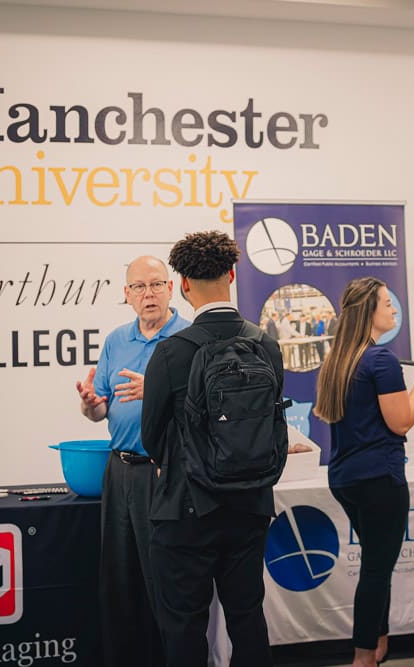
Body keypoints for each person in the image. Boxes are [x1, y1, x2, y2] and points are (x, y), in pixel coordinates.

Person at [141, 230, 284, 667]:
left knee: (184, 624)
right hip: (250, 505)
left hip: (187, 509)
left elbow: (152, 436)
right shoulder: (266, 344)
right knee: (247, 615)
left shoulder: (171, 352)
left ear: (183, 285)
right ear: (232, 275)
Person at [314, 277, 414, 667]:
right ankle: (364, 655)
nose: (393, 309)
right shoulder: (380, 360)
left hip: (346, 478)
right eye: (387, 303)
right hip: (379, 479)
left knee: (376, 562)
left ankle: (378, 642)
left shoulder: (339, 359)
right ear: (369, 310)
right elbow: (400, 422)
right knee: (376, 569)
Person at [75, 255, 189, 667]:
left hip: (166, 472)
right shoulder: (116, 341)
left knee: (164, 581)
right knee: (119, 581)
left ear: (171, 288)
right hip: (119, 471)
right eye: (138, 287)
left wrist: (156, 389)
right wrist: (91, 405)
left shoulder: (189, 340)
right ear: (127, 294)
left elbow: (202, 412)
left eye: (156, 284)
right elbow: (102, 409)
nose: (148, 294)